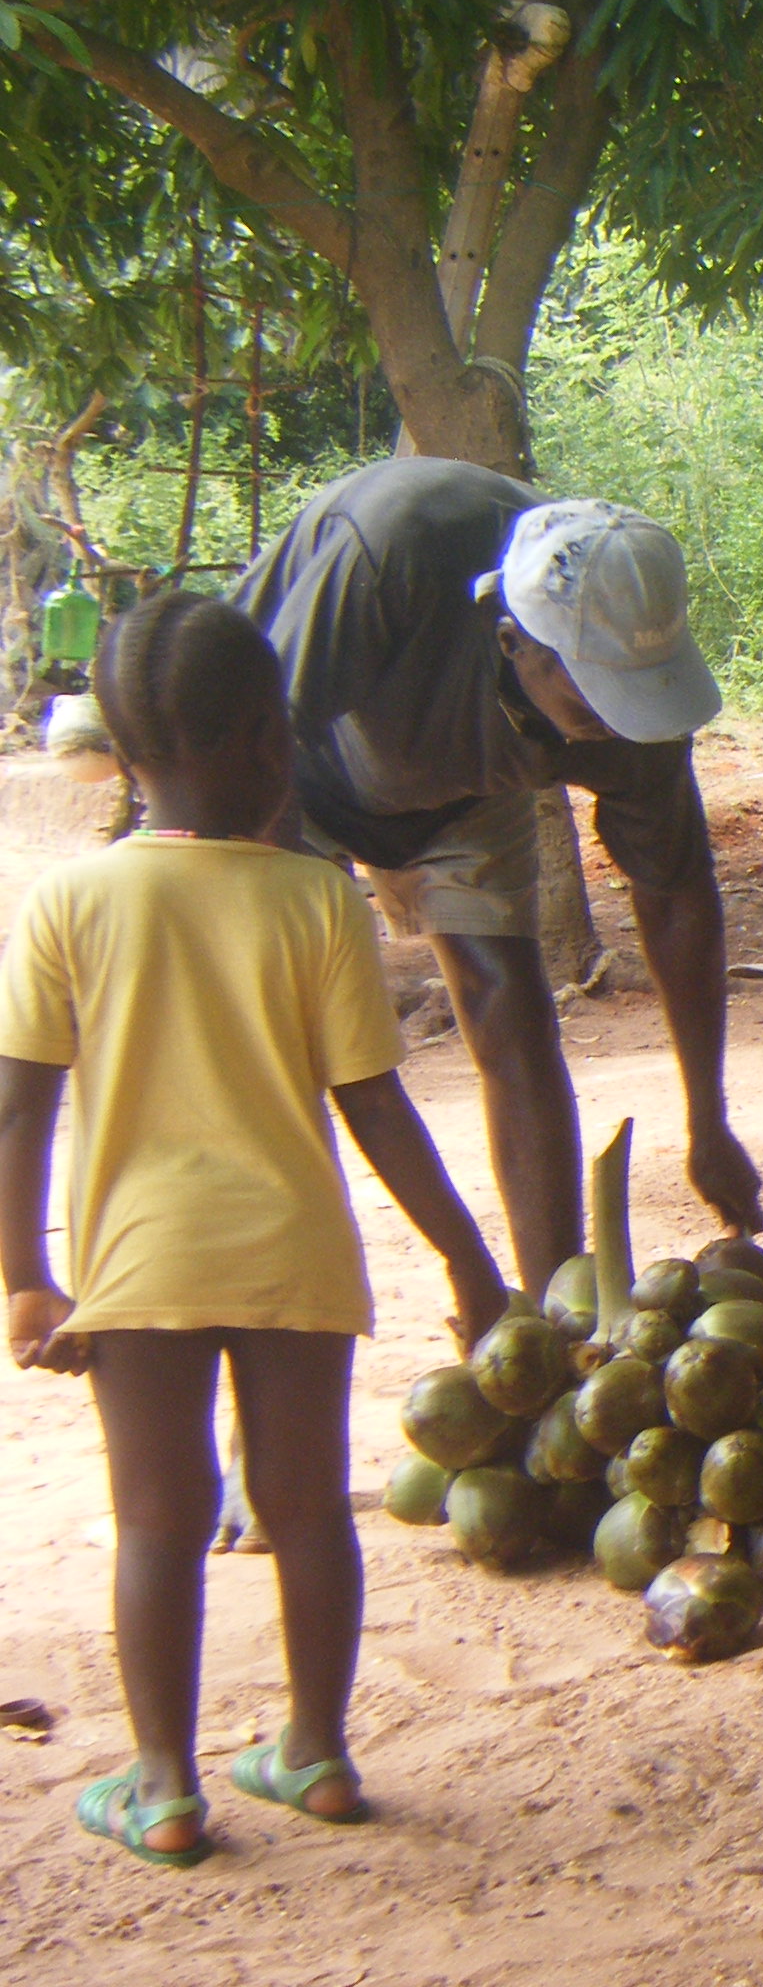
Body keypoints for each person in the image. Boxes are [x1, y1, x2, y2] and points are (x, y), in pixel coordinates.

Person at [1, 593, 510, 1863]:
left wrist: (25, 1276)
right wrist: (468, 1257)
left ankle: (165, 1784)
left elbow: (19, 1106)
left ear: (117, 755)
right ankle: (316, 1752)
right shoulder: (317, 905)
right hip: (294, 1252)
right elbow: (377, 1111)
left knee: (159, 1522)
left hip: (138, 1263)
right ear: (277, 742)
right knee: (307, 1508)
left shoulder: (69, 903)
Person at [234, 458, 763, 1301]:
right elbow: (252, 736)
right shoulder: (394, 550)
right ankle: (279, 1289)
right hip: (280, 770)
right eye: (592, 699)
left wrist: (708, 1119)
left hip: (455, 785)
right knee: (289, 1047)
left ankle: (556, 1316)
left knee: (508, 1011)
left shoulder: (635, 702)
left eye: (630, 698)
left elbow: (675, 894)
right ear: (513, 640)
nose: (610, 729)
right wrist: (300, 926)